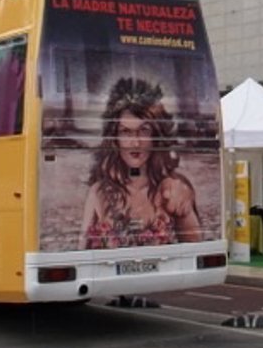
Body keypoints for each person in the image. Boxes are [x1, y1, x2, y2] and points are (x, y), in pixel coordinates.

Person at [81, 77, 201, 249]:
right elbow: (81, 252)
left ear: (155, 136)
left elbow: (196, 247)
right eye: (126, 132)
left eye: (143, 130)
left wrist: (184, 209)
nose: (135, 142)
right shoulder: (99, 194)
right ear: (114, 138)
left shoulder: (172, 189)